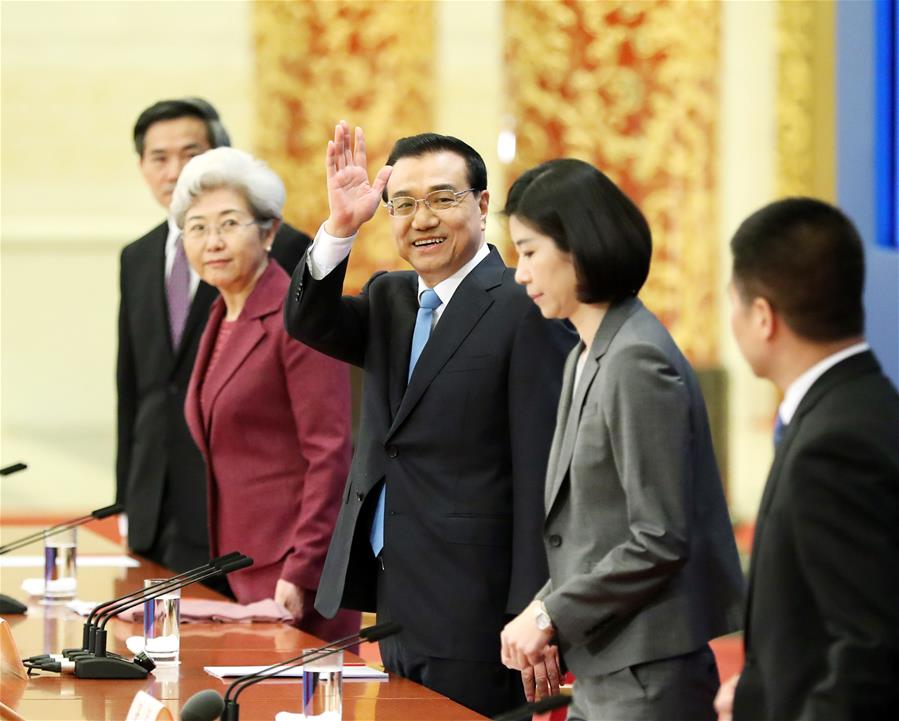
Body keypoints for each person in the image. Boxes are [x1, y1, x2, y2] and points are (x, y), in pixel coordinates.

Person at [284, 122, 575, 718]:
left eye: (443, 199)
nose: (422, 220)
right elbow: (307, 322)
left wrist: (536, 609)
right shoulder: (391, 297)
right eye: (404, 205)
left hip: (480, 604)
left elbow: (543, 476)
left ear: (484, 204)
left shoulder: (524, 305)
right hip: (394, 591)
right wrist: (341, 227)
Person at [499, 158, 744, 720]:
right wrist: (546, 605)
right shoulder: (585, 351)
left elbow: (659, 536)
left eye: (530, 251)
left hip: (648, 677)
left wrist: (548, 615)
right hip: (607, 666)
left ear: (579, 246)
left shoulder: (635, 358)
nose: (519, 273)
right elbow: (591, 531)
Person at [715, 198, 899, 721]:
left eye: (734, 302)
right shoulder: (856, 405)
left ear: (763, 316)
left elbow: (869, 652)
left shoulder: (835, 446)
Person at [116, 98, 311, 576]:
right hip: (152, 508)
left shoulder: (282, 245)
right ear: (142, 167)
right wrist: (126, 498)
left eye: (191, 153)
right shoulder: (137, 256)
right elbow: (135, 386)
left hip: (237, 512)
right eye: (159, 158)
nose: (175, 171)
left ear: (222, 156)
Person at [169, 146, 359, 637]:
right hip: (239, 564)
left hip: (295, 572)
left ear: (269, 230)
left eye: (229, 223)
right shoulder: (219, 314)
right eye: (196, 227)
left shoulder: (297, 316)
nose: (211, 241)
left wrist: (302, 569)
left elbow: (330, 452)